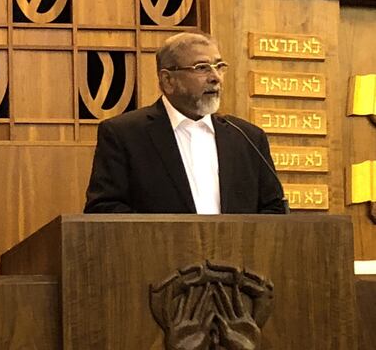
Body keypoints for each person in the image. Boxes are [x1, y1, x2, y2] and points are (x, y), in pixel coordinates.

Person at [84, 32, 286, 214]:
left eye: (219, 66)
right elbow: (104, 209)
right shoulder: (125, 134)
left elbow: (274, 208)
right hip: (160, 254)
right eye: (202, 68)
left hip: (237, 254)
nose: (215, 78)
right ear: (168, 80)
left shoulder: (247, 137)